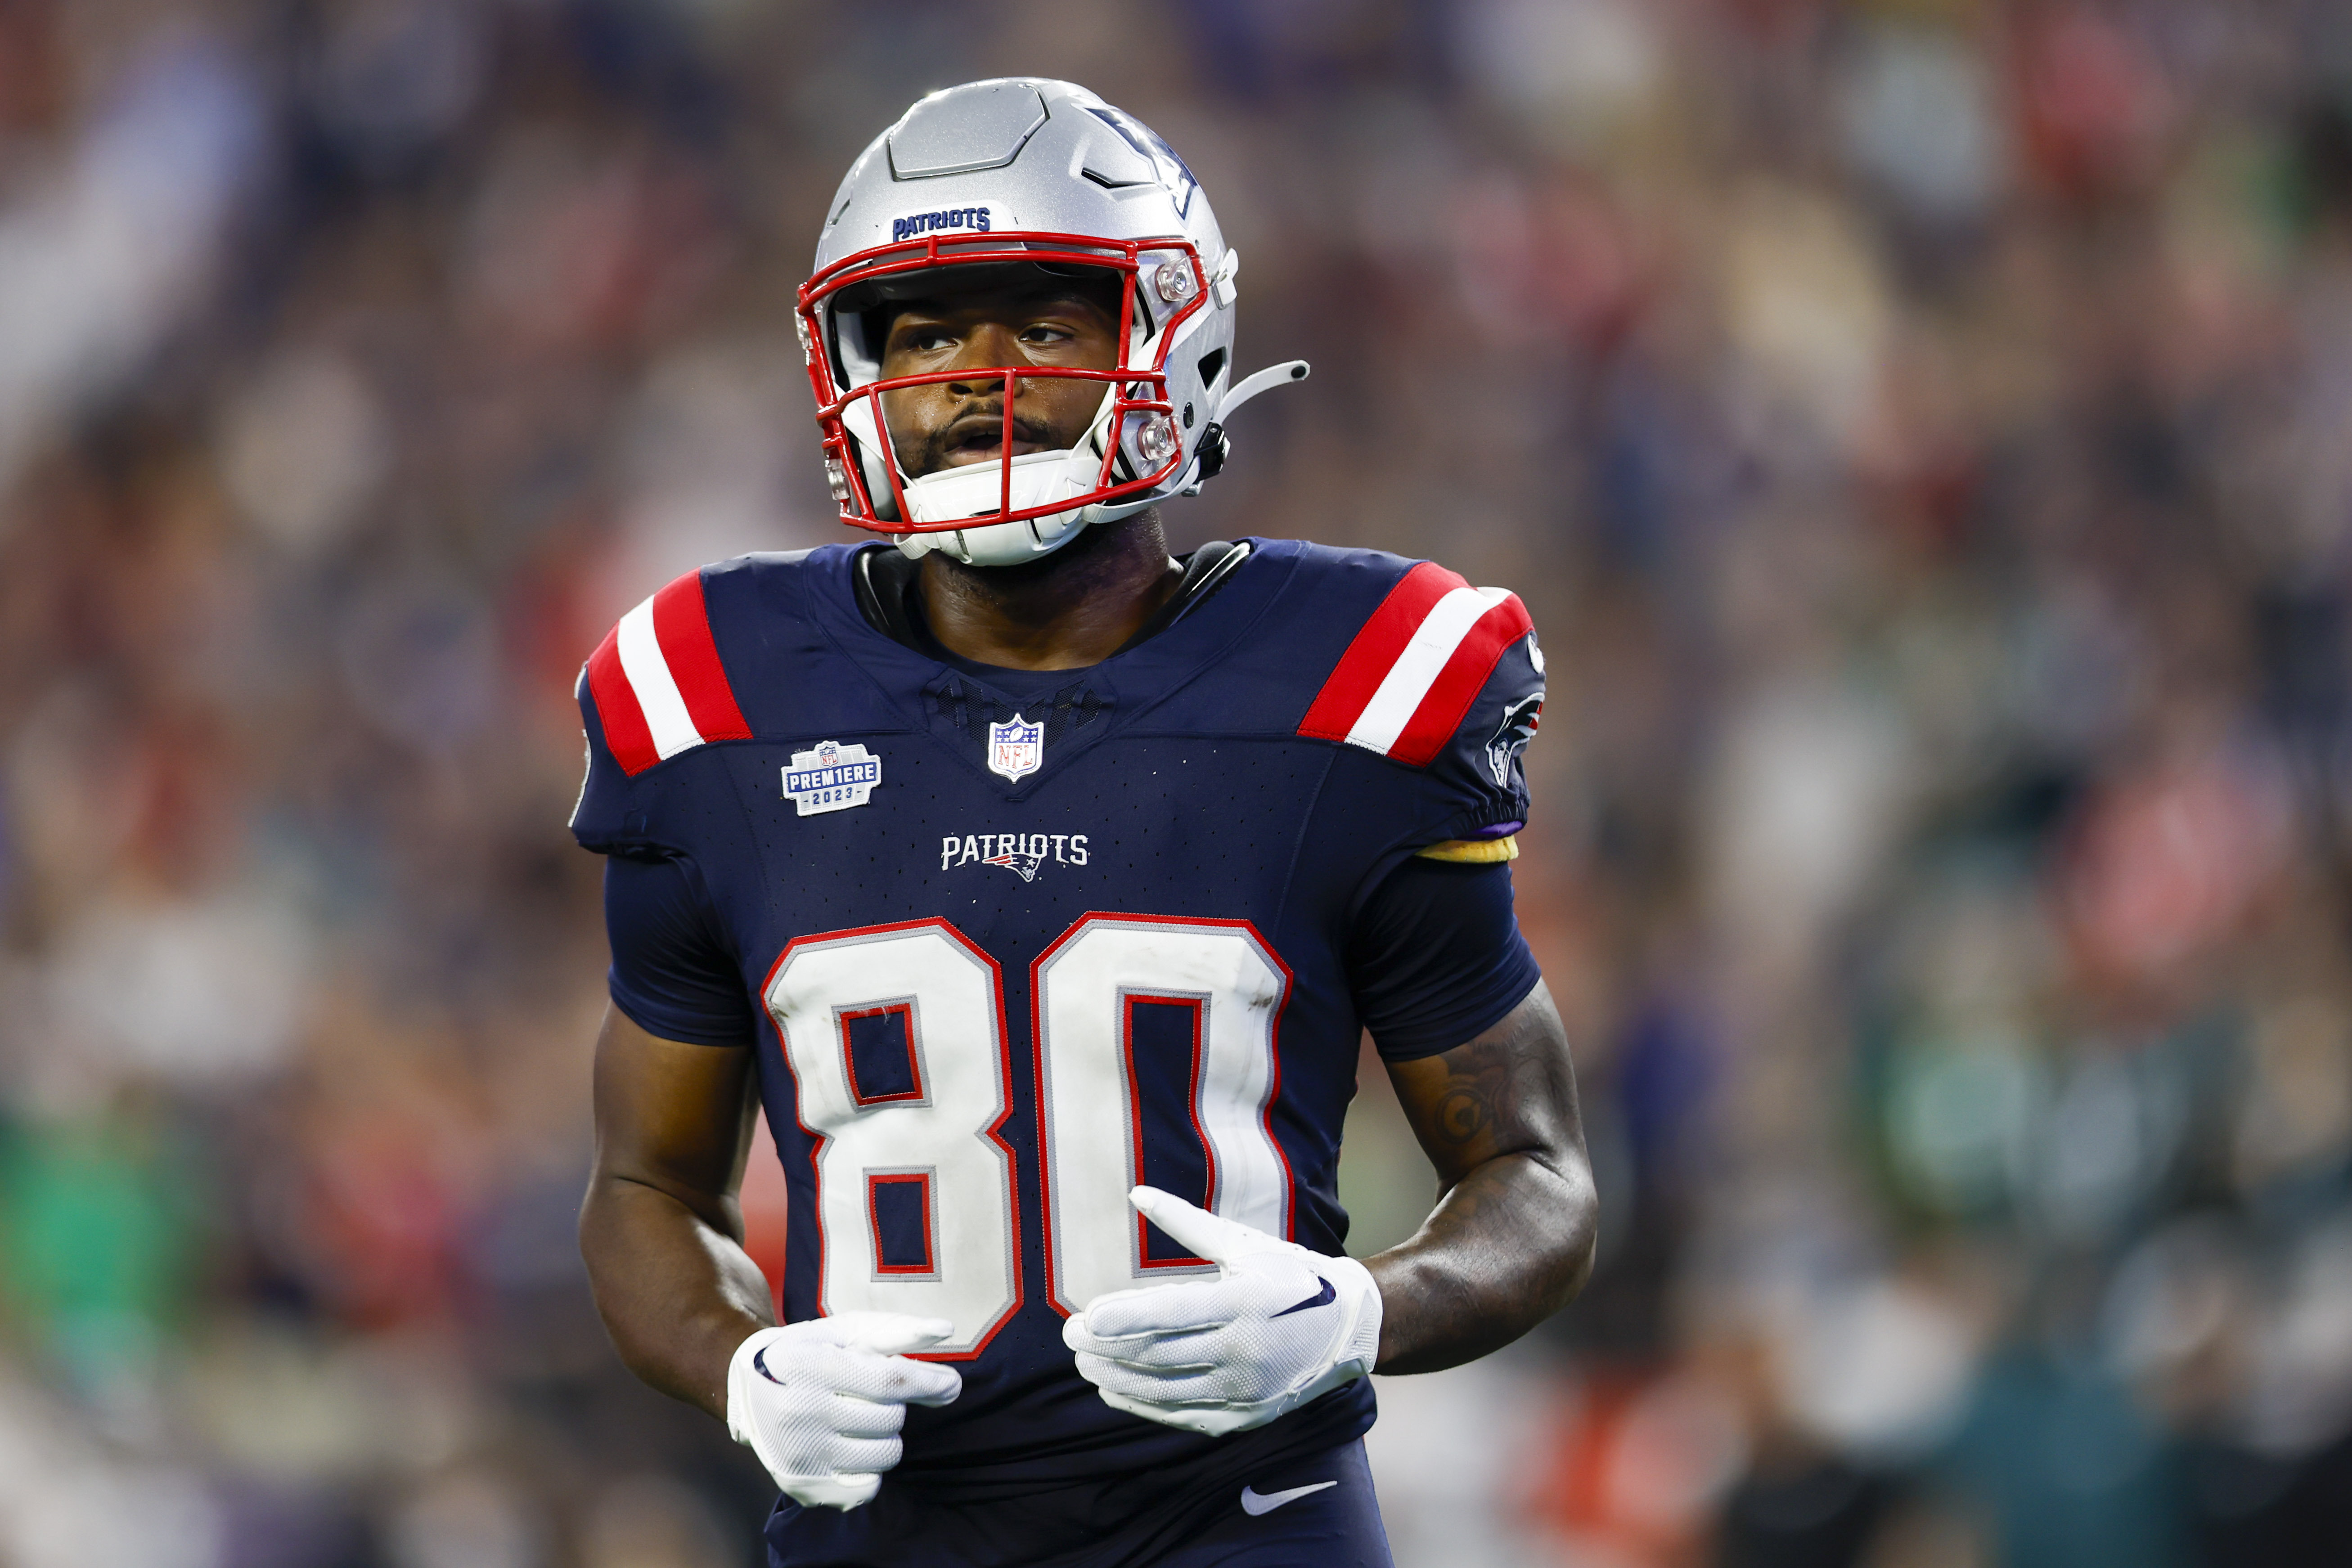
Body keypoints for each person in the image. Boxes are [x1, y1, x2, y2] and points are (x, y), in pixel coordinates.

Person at [573, 77, 1598, 1568]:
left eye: (1041, 325)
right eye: (924, 332)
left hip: (1247, 1528)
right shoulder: (711, 692)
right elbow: (641, 1187)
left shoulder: (1358, 675)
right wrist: (741, 1367)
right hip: (882, 1537)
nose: (976, 377)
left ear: (1169, 339)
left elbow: (1536, 1173)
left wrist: (1355, 1314)